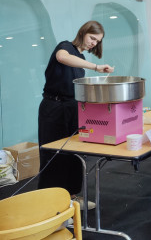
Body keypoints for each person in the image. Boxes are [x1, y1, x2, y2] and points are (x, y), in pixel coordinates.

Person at [38, 20, 114, 210]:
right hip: (53, 109)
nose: (93, 43)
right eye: (92, 38)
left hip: (73, 108)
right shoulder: (65, 47)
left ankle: (71, 197)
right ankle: (49, 204)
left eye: (97, 41)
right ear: (83, 32)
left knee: (74, 155)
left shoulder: (80, 59)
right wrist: (96, 67)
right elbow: (62, 57)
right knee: (53, 155)